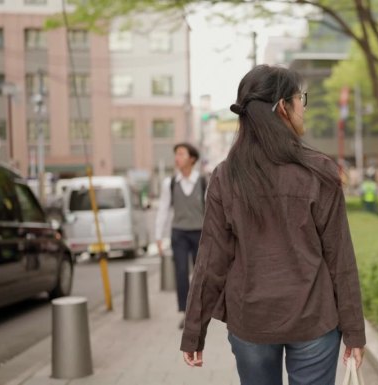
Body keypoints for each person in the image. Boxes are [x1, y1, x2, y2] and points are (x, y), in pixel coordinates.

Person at [180, 65, 366, 385]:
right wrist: (354, 332)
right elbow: (340, 258)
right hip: (315, 320)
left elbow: (211, 260)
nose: (302, 108)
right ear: (283, 107)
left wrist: (194, 333)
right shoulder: (319, 170)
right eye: (300, 99)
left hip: (250, 320)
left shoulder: (226, 176)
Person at [154, 142, 206, 329]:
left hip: (200, 233)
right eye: (176, 154)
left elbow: (211, 211)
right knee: (181, 272)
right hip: (179, 234)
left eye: (181, 154)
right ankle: (186, 312)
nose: (177, 157)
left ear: (192, 159)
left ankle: (200, 311)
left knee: (200, 274)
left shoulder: (202, 182)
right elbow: (163, 210)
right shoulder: (170, 183)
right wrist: (158, 237)